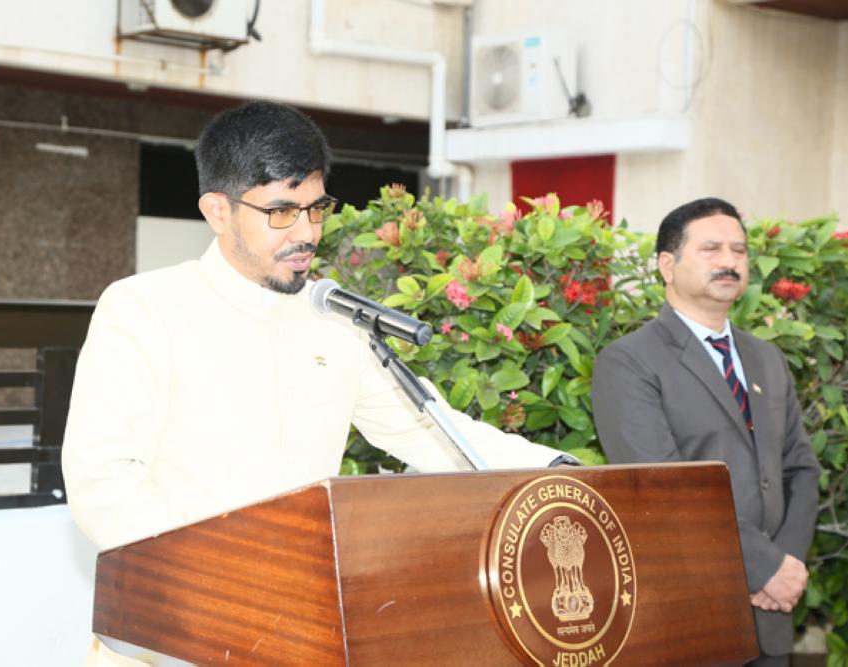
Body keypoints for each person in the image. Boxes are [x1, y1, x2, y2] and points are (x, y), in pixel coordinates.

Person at [62, 100, 571, 666]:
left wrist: (556, 472)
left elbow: (428, 429)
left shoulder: (332, 318)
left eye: (316, 208)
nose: (306, 232)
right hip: (174, 639)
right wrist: (218, 586)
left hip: (299, 633)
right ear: (218, 211)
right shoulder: (143, 307)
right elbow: (102, 482)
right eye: (281, 211)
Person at [591, 198, 820, 666]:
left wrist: (788, 566)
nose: (729, 261)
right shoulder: (629, 362)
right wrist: (765, 566)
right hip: (690, 614)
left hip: (772, 612)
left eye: (738, 250)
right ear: (667, 265)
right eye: (711, 248)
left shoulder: (766, 359)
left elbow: (801, 468)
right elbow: (665, 488)